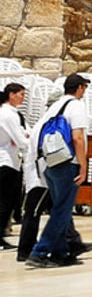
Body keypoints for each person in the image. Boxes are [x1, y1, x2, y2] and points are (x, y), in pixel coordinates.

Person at [27, 74, 89, 268]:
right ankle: (40, 251)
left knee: (60, 208)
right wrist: (83, 165)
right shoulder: (77, 106)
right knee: (61, 211)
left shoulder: (55, 106)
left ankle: (61, 253)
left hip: (49, 163)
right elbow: (77, 137)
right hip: (67, 164)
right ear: (79, 88)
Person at [0, 83, 24, 250]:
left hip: (13, 161)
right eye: (21, 94)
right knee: (4, 202)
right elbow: (21, 138)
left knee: (9, 201)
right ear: (11, 95)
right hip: (6, 161)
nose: (23, 97)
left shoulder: (12, 114)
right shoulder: (8, 114)